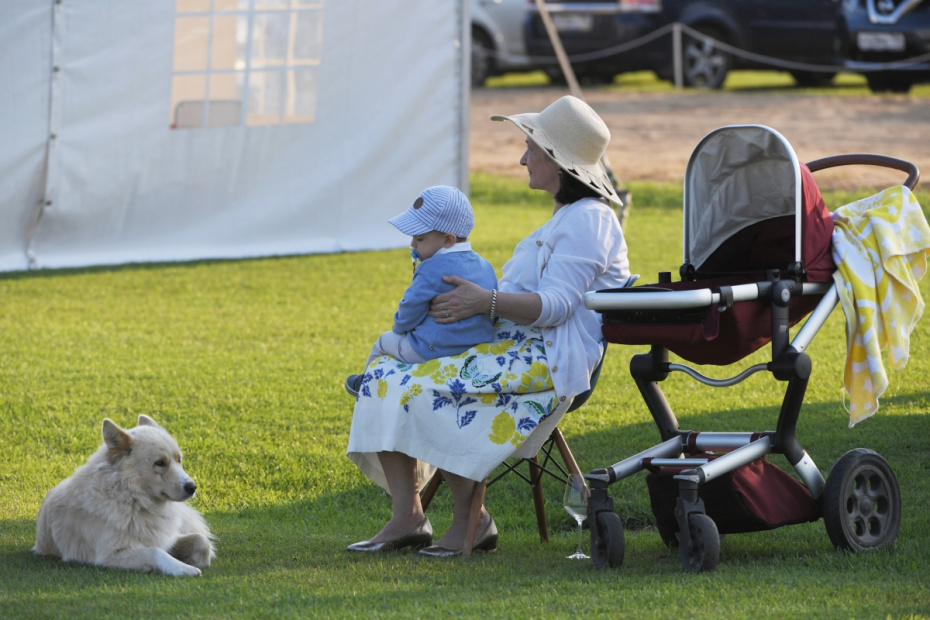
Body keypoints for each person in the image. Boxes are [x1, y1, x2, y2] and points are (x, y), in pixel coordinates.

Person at [345, 95, 632, 557]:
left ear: (557, 160)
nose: (522, 157)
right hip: (512, 352)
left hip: (549, 364)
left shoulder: (591, 221)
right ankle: (408, 517)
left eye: (530, 148)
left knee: (428, 388)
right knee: (381, 377)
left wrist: (485, 301)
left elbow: (556, 307)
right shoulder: (568, 218)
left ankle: (472, 523)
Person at [345, 185, 498, 397]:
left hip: (433, 349)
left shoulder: (430, 268)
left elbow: (411, 307)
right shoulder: (485, 266)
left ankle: (363, 384)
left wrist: (400, 326)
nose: (413, 243)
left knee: (383, 341)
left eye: (420, 239)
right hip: (476, 349)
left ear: (448, 240)